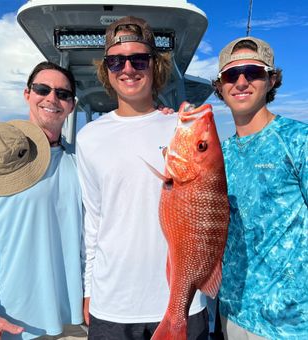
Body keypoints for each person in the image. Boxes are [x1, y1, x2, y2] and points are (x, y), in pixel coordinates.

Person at [76, 16, 208, 339]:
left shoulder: (180, 127)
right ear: (106, 70)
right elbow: (93, 224)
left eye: (139, 59)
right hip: (112, 304)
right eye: (116, 61)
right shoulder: (89, 137)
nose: (128, 68)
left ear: (154, 65)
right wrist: (89, 288)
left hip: (182, 302)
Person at [211, 36, 308, 339]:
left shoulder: (298, 140)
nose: (241, 82)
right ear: (220, 86)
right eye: (230, 75)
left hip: (291, 323)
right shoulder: (217, 155)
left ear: (271, 80)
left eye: (253, 72)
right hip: (232, 314)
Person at [0, 61, 86, 339]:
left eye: (63, 94)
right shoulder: (2, 159)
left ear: (72, 105)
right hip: (14, 320)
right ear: (27, 94)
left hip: (77, 320)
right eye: (42, 89)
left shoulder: (82, 161)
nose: (52, 98)